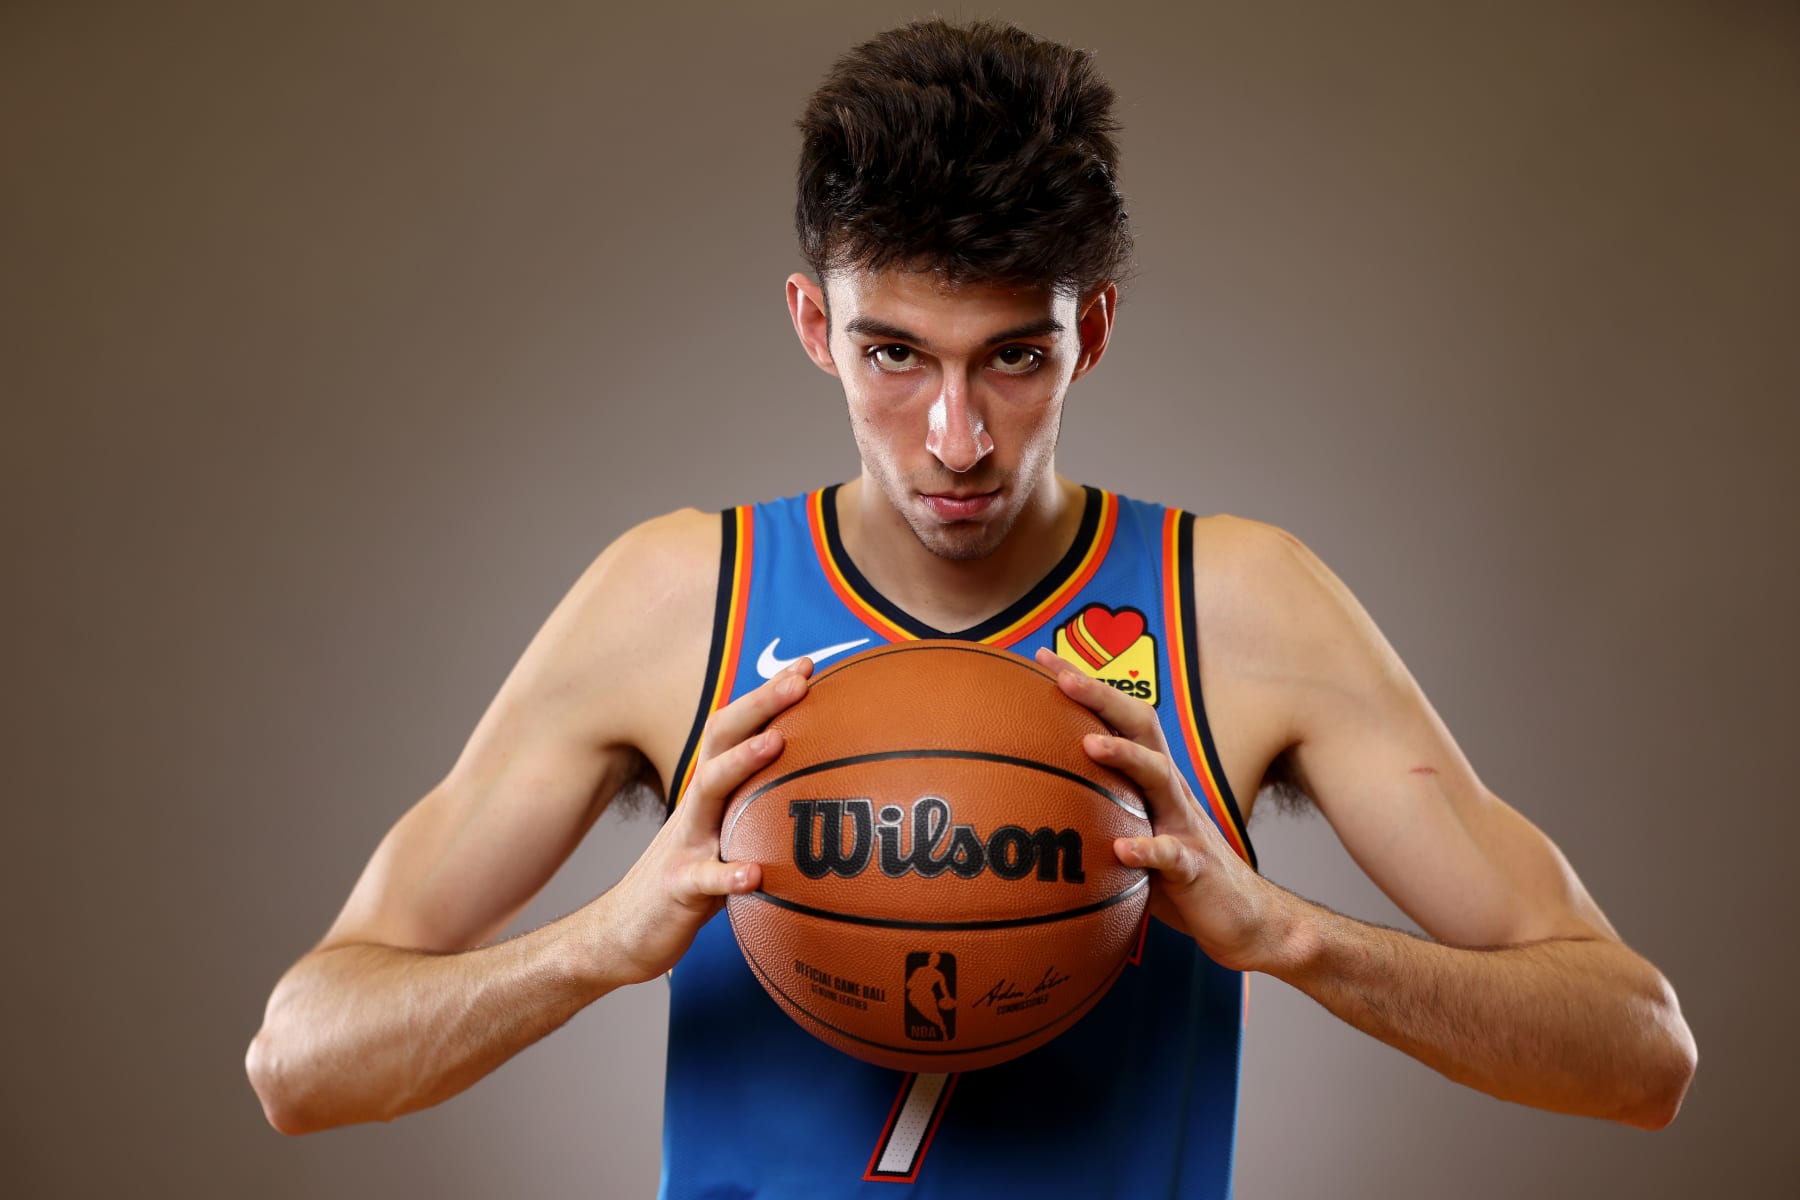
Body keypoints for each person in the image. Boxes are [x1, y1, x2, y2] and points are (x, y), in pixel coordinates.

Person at [245, 17, 1697, 1197]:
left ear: (1096, 329)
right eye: (893, 355)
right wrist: (597, 945)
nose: (954, 436)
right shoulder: (679, 598)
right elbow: (300, 1062)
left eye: (1014, 358)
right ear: (814, 323)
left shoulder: (1235, 606)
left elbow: (1640, 1053)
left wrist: (1285, 934)